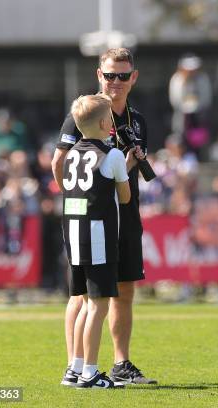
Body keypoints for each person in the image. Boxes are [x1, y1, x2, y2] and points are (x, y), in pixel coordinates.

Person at [52, 47, 157, 385]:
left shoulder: (137, 119)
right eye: (110, 74)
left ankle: (121, 363)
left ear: (133, 78)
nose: (116, 82)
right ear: (99, 74)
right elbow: (59, 163)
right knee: (83, 295)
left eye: (122, 75)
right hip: (91, 217)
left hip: (124, 214)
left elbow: (130, 174)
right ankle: (77, 364)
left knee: (124, 289)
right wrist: (80, 199)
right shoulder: (85, 112)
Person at [61, 94, 130, 388]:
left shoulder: (71, 154)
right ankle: (89, 371)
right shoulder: (112, 155)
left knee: (85, 303)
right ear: (105, 123)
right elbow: (124, 197)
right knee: (99, 306)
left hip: (73, 237)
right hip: (98, 237)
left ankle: (74, 367)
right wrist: (127, 164)